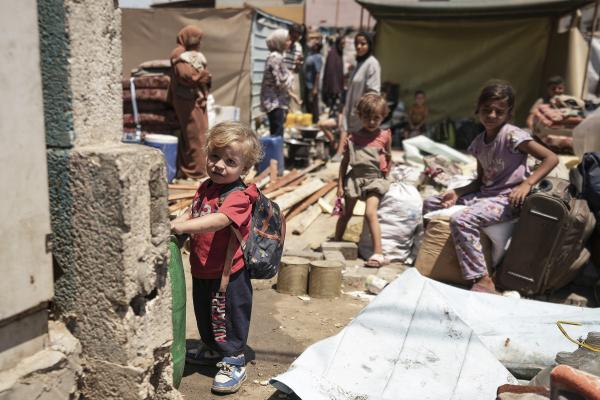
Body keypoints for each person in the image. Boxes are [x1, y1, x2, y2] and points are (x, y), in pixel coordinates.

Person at [422, 81, 559, 293]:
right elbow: (480, 180)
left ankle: (482, 277)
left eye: (499, 111)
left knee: (462, 219)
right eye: (487, 110)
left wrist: (526, 184)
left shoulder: (513, 135)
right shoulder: (478, 143)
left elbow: (551, 158)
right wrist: (456, 193)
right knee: (431, 202)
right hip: (484, 195)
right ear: (478, 109)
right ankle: (431, 260)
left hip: (507, 199)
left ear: (509, 113)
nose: (492, 115)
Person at [170, 121, 263, 394]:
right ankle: (212, 349)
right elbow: (194, 212)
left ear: (244, 168)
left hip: (228, 274)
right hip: (202, 268)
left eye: (230, 161)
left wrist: (182, 227)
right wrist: (178, 221)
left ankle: (234, 359)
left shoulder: (239, 196)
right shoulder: (206, 187)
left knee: (228, 317)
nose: (219, 165)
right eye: (214, 156)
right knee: (205, 313)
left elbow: (218, 221)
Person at [334, 93, 392, 268]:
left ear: (383, 117)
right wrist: (340, 184)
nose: (372, 122)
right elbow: (344, 163)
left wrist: (387, 174)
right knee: (346, 214)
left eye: (376, 118)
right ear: (360, 116)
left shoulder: (385, 136)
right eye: (367, 117)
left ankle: (378, 253)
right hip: (355, 179)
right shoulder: (352, 138)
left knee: (370, 213)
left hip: (375, 180)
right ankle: (335, 244)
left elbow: (388, 156)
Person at [169, 25, 212, 179]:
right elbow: (186, 76)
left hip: (193, 98)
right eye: (196, 40)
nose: (198, 44)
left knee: (199, 133)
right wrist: (202, 76)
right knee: (195, 134)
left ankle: (194, 168)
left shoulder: (188, 54)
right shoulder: (179, 54)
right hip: (186, 100)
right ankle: (196, 171)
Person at [334, 32, 381, 161]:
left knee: (361, 149)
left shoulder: (372, 64)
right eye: (357, 44)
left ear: (370, 45)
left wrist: (363, 110)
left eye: (363, 43)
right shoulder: (360, 63)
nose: (359, 47)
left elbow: (373, 92)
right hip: (352, 112)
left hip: (362, 115)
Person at [260, 29, 293, 136]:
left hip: (274, 101)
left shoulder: (276, 56)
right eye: (287, 40)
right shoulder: (275, 58)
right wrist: (291, 76)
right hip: (274, 102)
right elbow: (281, 82)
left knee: (276, 131)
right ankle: (275, 153)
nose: (290, 42)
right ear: (280, 41)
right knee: (277, 134)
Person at [321, 35, 345, 118]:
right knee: (334, 109)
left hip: (337, 87)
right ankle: (331, 127)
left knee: (336, 110)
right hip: (333, 88)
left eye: (344, 44)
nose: (343, 46)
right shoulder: (332, 54)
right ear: (337, 43)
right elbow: (330, 73)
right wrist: (334, 88)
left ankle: (333, 127)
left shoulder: (339, 53)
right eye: (342, 44)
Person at [284, 24, 304, 113]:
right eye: (294, 35)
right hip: (281, 77)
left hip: (291, 78)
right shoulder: (283, 44)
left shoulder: (299, 47)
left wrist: (298, 65)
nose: (296, 37)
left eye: (298, 35)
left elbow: (296, 70)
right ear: (290, 33)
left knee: (290, 106)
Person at [304, 40, 323, 124]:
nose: (312, 44)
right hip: (307, 84)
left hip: (312, 85)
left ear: (317, 47)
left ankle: (315, 121)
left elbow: (317, 73)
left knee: (313, 104)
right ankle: (309, 121)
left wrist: (315, 87)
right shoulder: (310, 54)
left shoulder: (317, 57)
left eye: (314, 44)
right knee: (308, 103)